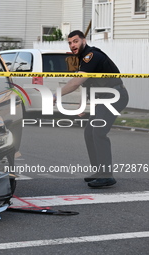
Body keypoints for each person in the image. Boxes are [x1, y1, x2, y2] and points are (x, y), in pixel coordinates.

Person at [54, 30, 129, 188]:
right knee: (89, 132)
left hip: (114, 95)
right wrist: (84, 105)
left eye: (75, 41)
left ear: (83, 40)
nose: (72, 45)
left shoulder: (91, 56)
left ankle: (107, 175)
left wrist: (56, 96)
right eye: (70, 42)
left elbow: (75, 82)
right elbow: (86, 84)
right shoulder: (82, 58)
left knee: (98, 131)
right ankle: (100, 172)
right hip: (102, 97)